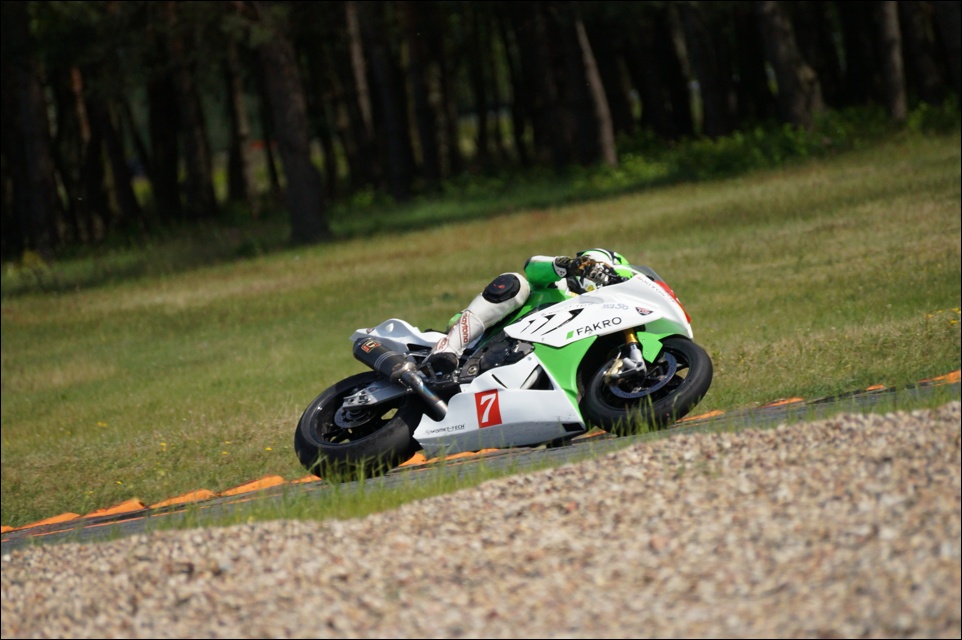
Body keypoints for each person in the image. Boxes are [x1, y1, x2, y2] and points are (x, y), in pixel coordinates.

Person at [421, 248, 632, 377]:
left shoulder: (598, 323)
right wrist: (567, 265)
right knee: (516, 282)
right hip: (485, 338)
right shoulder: (560, 286)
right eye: (598, 270)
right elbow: (532, 267)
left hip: (522, 360)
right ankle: (448, 347)